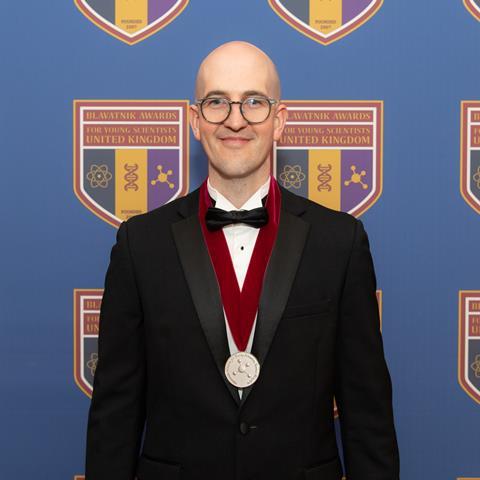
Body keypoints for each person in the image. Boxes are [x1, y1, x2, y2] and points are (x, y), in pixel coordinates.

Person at [85, 41, 400, 480]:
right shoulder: (141, 244)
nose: (235, 119)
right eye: (217, 102)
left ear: (280, 120)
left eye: (254, 102)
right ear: (195, 121)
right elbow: (114, 414)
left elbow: (368, 415)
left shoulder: (339, 242)